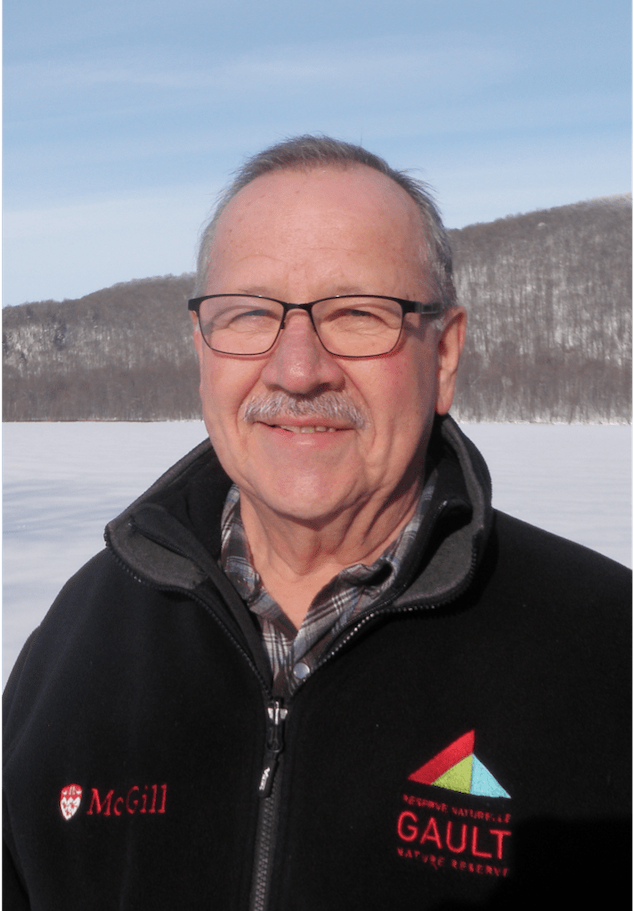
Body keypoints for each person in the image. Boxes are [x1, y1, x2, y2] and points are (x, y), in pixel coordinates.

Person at [2, 136, 631, 910]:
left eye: (359, 313)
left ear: (444, 356)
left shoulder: (603, 651)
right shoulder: (81, 635)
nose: (298, 369)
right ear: (201, 348)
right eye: (249, 313)